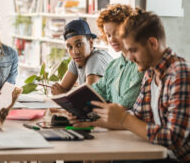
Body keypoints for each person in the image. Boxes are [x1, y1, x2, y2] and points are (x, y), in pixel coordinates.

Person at [73, 10, 190, 162]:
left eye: (133, 50)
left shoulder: (179, 74)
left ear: (152, 43)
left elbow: (172, 139)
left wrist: (124, 119)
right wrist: (87, 122)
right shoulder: (150, 74)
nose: (129, 57)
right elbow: (137, 117)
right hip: (154, 151)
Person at [90, 4, 144, 108]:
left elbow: (124, 105)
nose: (111, 39)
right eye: (108, 35)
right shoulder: (113, 66)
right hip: (112, 121)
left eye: (117, 33)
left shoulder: (140, 65)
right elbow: (96, 92)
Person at [51, 19, 113, 95]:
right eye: (70, 47)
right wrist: (61, 92)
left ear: (90, 43)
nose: (75, 52)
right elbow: (62, 88)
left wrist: (62, 94)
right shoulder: (78, 60)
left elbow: (89, 98)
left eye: (79, 44)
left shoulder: (95, 59)